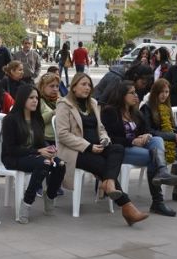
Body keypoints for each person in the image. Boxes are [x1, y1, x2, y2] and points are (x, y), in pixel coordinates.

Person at [55, 73, 149, 226]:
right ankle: (127, 207)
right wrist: (88, 146)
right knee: (101, 164)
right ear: (73, 87)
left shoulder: (92, 103)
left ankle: (109, 183)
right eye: (83, 84)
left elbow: (101, 128)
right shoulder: (64, 104)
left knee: (117, 148)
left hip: (98, 146)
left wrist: (105, 139)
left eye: (89, 85)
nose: (87, 88)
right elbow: (63, 134)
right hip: (76, 151)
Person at [102, 81, 177, 217]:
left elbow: (145, 130)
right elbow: (110, 138)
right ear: (122, 95)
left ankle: (161, 172)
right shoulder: (110, 112)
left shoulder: (134, 112)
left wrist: (146, 135)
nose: (135, 95)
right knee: (153, 157)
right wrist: (132, 140)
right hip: (120, 149)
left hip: (137, 147)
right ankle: (158, 201)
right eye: (131, 93)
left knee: (156, 140)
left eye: (135, 92)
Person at [2, 85, 65, 224]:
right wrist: (38, 151)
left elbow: (40, 143)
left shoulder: (37, 119)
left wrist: (49, 150)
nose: (35, 101)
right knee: (44, 163)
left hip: (33, 156)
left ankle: (49, 196)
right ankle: (27, 202)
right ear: (22, 99)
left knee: (60, 164)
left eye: (37, 98)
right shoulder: (10, 120)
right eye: (31, 98)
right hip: (13, 158)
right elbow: (11, 149)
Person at [142, 78, 177, 203]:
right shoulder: (147, 108)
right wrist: (172, 136)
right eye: (161, 92)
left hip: (170, 142)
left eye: (167, 92)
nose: (164, 95)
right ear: (155, 92)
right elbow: (149, 131)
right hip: (157, 146)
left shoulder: (166, 107)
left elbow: (173, 126)